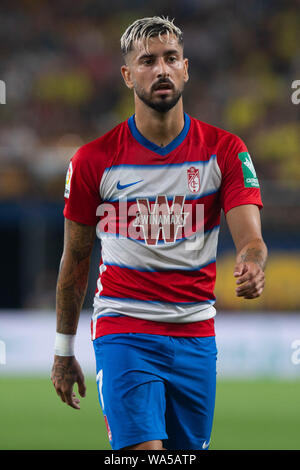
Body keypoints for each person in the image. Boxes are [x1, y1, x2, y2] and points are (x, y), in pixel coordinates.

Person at [51, 16, 268, 451]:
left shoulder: (225, 150)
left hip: (196, 334)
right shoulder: (94, 160)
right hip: (123, 329)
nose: (162, 70)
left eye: (171, 59)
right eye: (147, 61)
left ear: (185, 68)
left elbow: (251, 239)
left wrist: (252, 262)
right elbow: (75, 258)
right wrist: (62, 349)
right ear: (128, 75)